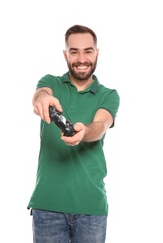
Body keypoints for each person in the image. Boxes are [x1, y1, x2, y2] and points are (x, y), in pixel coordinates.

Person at [27, 24, 120, 243]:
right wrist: (42, 99)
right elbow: (40, 94)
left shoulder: (109, 95)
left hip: (92, 209)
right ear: (65, 54)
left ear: (96, 53)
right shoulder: (50, 82)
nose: (81, 58)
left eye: (88, 51)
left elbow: (101, 125)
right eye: (74, 51)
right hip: (47, 206)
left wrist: (85, 131)